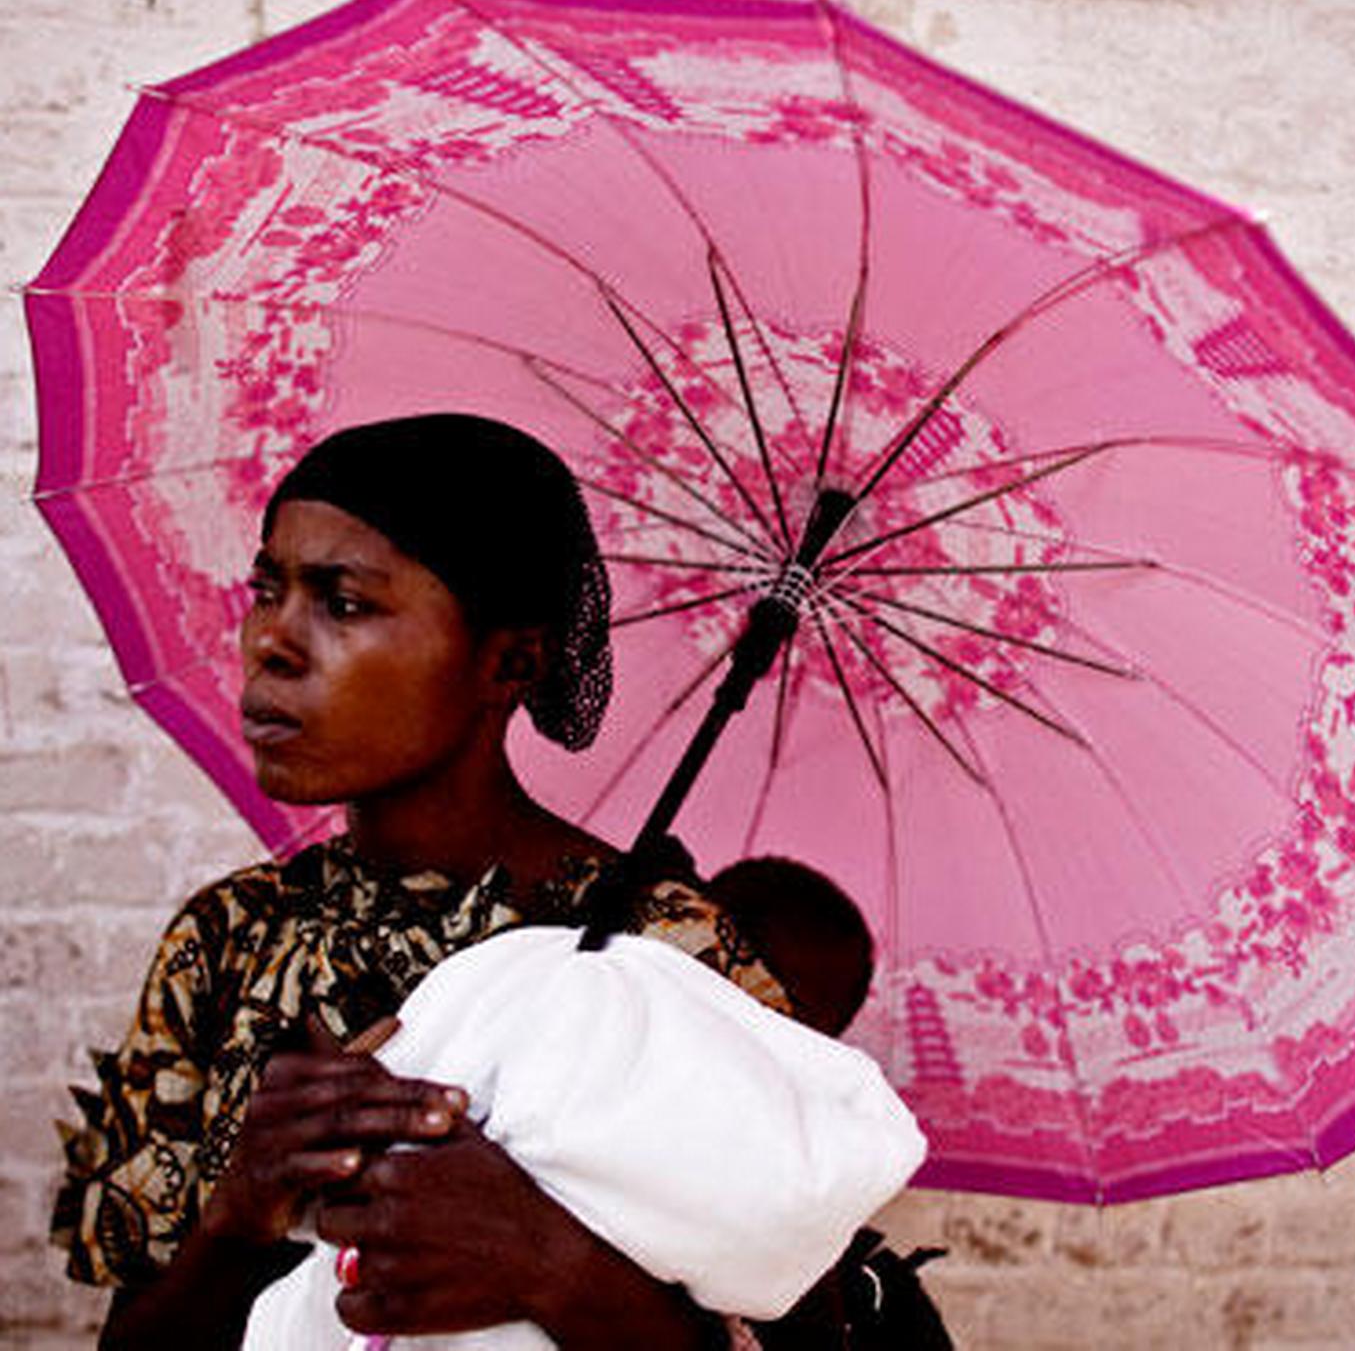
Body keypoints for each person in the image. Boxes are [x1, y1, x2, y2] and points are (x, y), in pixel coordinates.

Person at [52, 414, 836, 1350]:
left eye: (342, 603)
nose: (271, 643)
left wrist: (545, 1258)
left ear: (510, 662)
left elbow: (804, 1331)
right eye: (268, 590)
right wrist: (237, 1217)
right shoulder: (231, 940)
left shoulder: (664, 953)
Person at [241, 856, 922, 1349]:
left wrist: (560, 1270)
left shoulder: (859, 1292)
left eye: (785, 1025)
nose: (741, 1029)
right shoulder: (483, 1093)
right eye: (719, 981)